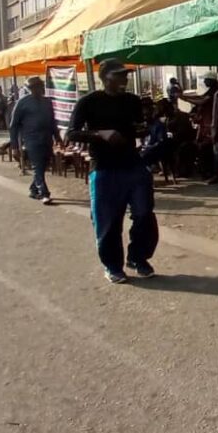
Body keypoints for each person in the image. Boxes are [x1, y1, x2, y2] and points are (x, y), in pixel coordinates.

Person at [68, 59, 158, 284]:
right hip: (104, 168)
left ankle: (138, 258)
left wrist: (142, 130)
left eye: (125, 75)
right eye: (119, 76)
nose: (124, 79)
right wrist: (100, 134)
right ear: (105, 78)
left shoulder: (132, 101)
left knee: (144, 213)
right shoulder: (88, 102)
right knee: (108, 221)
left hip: (133, 164)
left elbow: (137, 128)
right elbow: (72, 133)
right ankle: (112, 265)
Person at [8, 76, 62, 205]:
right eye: (38, 87)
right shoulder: (22, 103)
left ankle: (33, 189)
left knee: (43, 166)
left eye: (41, 86)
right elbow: (13, 125)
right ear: (31, 89)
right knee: (38, 166)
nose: (41, 89)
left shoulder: (47, 102)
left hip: (47, 138)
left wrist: (57, 137)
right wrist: (14, 146)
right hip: (32, 139)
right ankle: (44, 193)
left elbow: (52, 121)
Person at [182, 72, 218, 180]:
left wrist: (185, 98)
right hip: (206, 125)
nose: (204, 82)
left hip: (210, 125)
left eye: (206, 80)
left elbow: (202, 100)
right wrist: (184, 96)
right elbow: (200, 96)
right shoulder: (211, 91)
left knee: (208, 150)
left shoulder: (214, 92)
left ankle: (212, 173)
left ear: (211, 80)